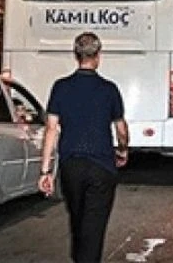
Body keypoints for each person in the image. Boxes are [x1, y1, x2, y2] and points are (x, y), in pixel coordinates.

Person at [38, 32, 130, 263]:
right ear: (98, 56)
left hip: (71, 167)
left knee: (78, 224)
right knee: (93, 229)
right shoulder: (109, 89)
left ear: (76, 55)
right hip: (102, 168)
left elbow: (51, 129)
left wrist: (45, 171)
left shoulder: (60, 87)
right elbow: (120, 128)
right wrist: (123, 149)